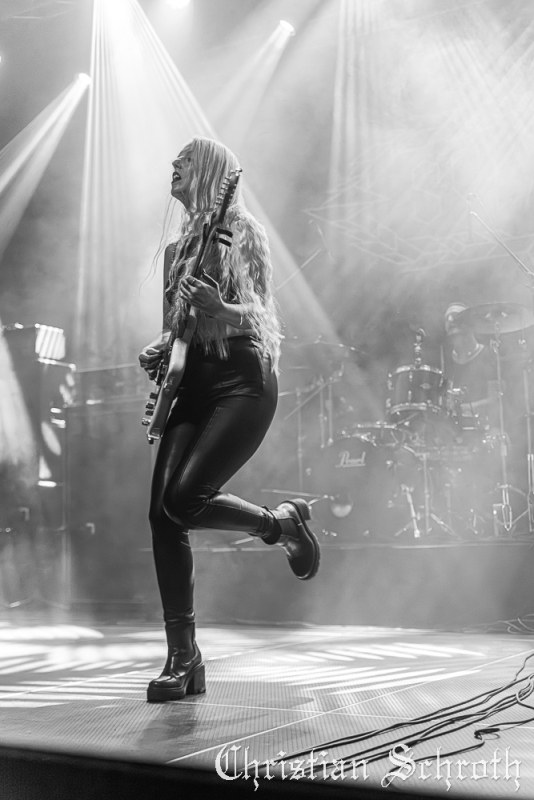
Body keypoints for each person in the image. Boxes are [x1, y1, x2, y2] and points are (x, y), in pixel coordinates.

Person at [138, 137, 320, 703]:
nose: (173, 165)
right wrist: (158, 351)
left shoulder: (241, 232)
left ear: (211, 171)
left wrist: (221, 308)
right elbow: (177, 333)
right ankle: (184, 658)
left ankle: (280, 525)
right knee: (163, 514)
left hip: (241, 379)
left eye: (185, 160)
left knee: (185, 497)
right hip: (192, 385)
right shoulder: (175, 252)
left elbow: (263, 316)